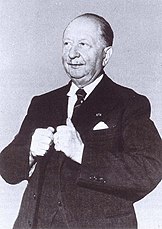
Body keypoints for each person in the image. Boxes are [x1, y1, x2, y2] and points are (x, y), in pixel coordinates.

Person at [0, 13, 162, 229]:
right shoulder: (43, 103)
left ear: (106, 55)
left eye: (83, 44)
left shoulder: (129, 103)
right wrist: (29, 152)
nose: (72, 54)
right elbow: (7, 169)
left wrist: (82, 154)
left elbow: (150, 169)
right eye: (67, 43)